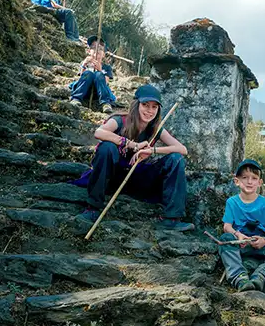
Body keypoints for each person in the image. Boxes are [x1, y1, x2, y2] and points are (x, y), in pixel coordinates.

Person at [71, 84, 194, 232]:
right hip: (113, 176)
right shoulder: (120, 120)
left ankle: (171, 219)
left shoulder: (155, 129)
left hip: (138, 178)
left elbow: (182, 149)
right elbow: (99, 133)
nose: (150, 111)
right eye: (145, 105)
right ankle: (92, 208)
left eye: (154, 107)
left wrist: (152, 150)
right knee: (107, 147)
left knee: (176, 158)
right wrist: (132, 145)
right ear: (136, 104)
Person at [218, 159, 265, 292]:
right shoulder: (232, 202)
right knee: (224, 240)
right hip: (241, 243)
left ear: (259, 183)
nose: (249, 181)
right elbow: (227, 226)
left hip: (261, 245)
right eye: (245, 178)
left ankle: (261, 275)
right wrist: (238, 235)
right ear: (237, 181)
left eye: (254, 178)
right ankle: (240, 278)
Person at [69, 35, 117, 113]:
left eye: (100, 49)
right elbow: (81, 77)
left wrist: (100, 70)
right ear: (89, 51)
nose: (97, 50)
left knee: (99, 74)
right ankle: (76, 98)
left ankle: (105, 103)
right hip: (85, 89)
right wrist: (84, 64)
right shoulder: (85, 63)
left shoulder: (106, 67)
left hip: (99, 92)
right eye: (93, 47)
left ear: (104, 54)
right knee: (88, 73)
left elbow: (106, 82)